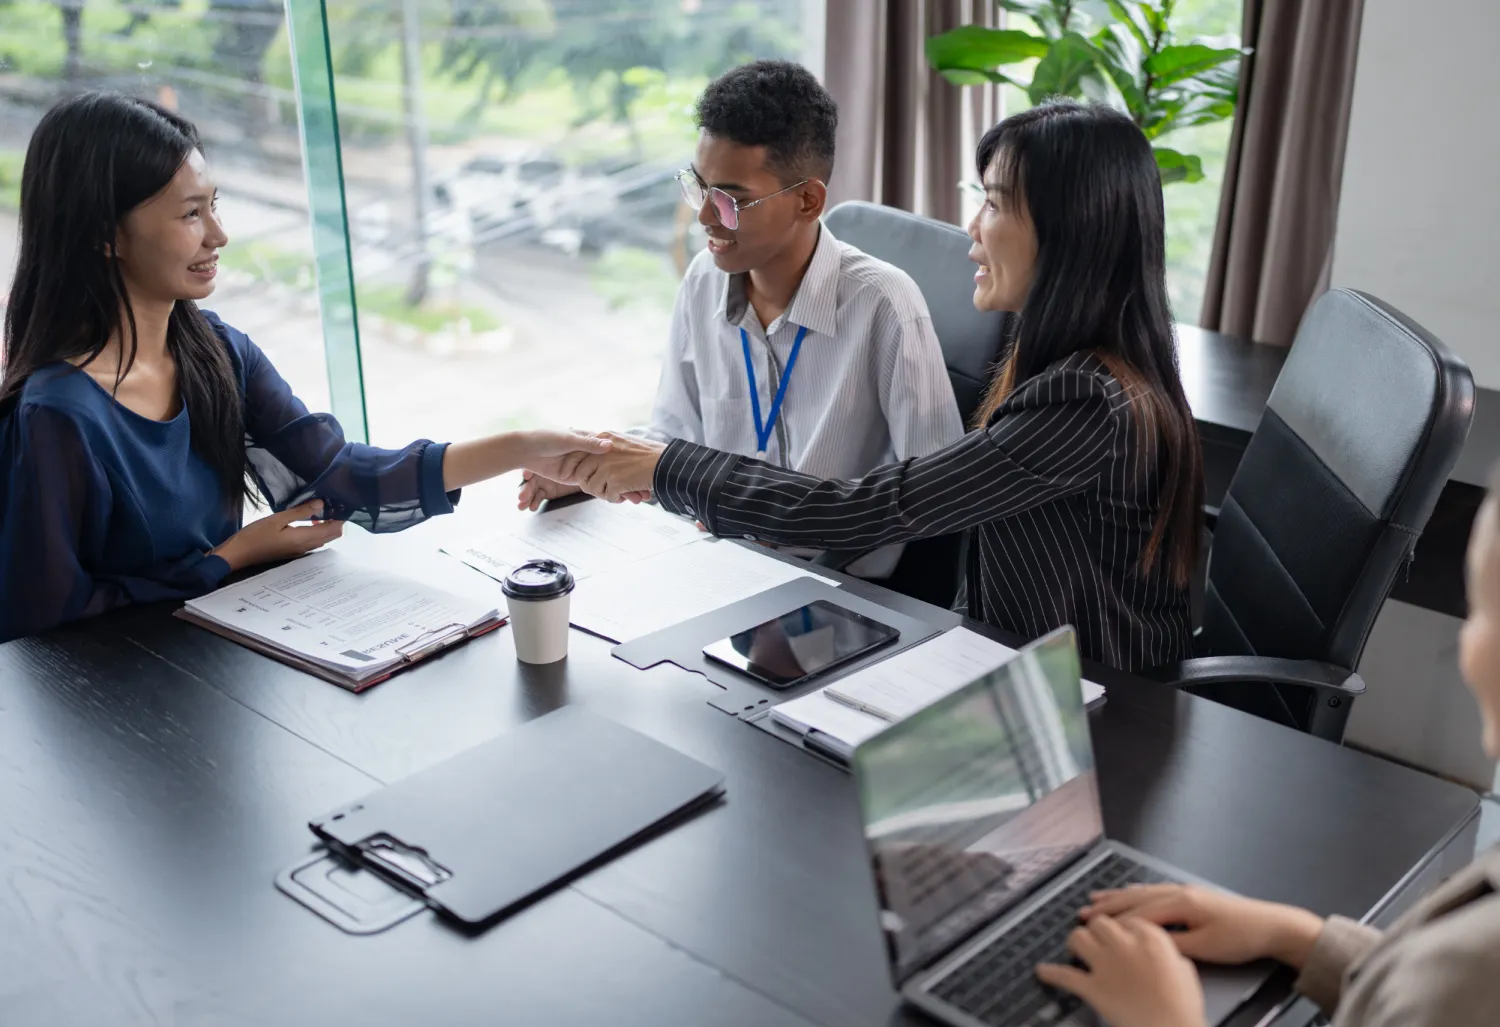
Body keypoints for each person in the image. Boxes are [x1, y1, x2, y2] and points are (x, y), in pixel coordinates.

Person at [549, 100, 1205, 673]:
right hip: (1006, 652)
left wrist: (667, 467)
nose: (972, 230)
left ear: (1073, 231)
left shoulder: (1086, 403)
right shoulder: (1067, 363)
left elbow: (861, 508)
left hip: (1097, 710)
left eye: (995, 204)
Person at [0, 92, 609, 644]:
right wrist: (231, 557)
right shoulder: (58, 413)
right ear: (107, 237)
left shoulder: (216, 351)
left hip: (220, 660)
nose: (220, 235)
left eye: (215, 206)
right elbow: (46, 616)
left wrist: (525, 444)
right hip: (119, 702)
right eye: (191, 215)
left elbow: (347, 475)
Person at [1026, 474, 1500, 1027]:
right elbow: (1441, 1004)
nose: (1462, 646)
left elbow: (1461, 1003)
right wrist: (1298, 936)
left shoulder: (1474, 989)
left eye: (1480, 609)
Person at [518, 59, 963, 578]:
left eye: (731, 199)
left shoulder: (883, 304)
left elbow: (936, 498)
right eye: (698, 187)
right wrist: (590, 464)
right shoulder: (704, 279)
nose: (706, 216)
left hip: (832, 587)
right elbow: (675, 434)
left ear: (807, 200)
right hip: (718, 564)